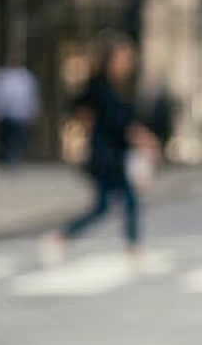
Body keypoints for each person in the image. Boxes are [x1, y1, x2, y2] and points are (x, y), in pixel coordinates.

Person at [40, 36, 158, 266]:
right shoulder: (101, 87)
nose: (127, 62)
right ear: (110, 59)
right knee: (126, 201)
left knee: (105, 206)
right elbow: (116, 121)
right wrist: (144, 140)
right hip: (105, 155)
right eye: (123, 57)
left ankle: (62, 237)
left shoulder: (113, 86)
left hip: (111, 153)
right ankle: (131, 248)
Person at [0, 58, 41, 168]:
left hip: (21, 114)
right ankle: (6, 159)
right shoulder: (0, 77)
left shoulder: (26, 77)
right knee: (5, 137)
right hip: (4, 114)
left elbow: (32, 96)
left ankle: (14, 158)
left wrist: (33, 112)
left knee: (18, 138)